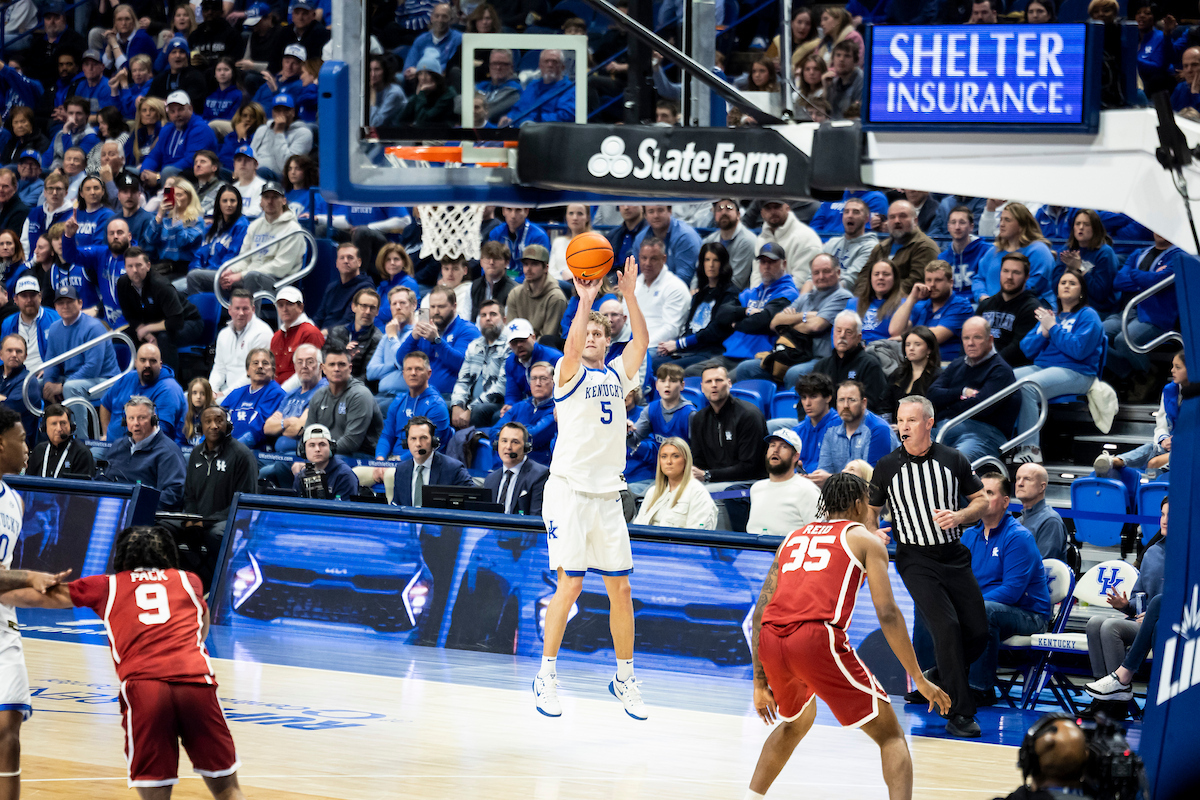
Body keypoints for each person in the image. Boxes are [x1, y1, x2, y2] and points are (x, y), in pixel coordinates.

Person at [0, 525, 246, 799]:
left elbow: (32, 598)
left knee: (156, 793)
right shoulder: (190, 580)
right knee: (228, 789)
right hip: (196, 682)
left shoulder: (107, 585)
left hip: (146, 689)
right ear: (168, 554)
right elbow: (201, 627)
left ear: (122, 555)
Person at [746, 473, 951, 800]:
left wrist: (759, 684)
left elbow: (760, 612)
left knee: (795, 723)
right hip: (814, 638)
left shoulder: (793, 538)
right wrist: (918, 678)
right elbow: (887, 613)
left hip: (772, 638)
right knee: (891, 736)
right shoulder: (866, 541)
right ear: (858, 504)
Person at [534, 255, 649, 720]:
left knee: (621, 589)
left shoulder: (618, 374)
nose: (591, 339)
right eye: (587, 334)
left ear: (607, 341)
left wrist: (630, 296)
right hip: (569, 491)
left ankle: (624, 677)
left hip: (607, 494)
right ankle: (546, 675)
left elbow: (641, 341)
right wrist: (584, 301)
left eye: (600, 334)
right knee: (572, 583)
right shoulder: (568, 373)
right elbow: (571, 342)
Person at [869, 395, 989, 738]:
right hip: (915, 558)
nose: (903, 427)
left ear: (928, 423)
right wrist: (872, 530)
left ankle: (939, 674)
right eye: (899, 420)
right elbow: (869, 511)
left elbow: (981, 500)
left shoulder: (953, 459)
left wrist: (960, 516)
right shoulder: (887, 466)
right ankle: (960, 714)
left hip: (954, 555)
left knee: (978, 633)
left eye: (910, 420)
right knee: (946, 627)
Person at [962, 473, 1052, 705]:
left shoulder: (1018, 537)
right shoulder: (968, 536)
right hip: (986, 608)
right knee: (932, 607)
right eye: (979, 494)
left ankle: (980, 688)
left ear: (1005, 502)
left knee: (984, 611)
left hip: (1029, 614)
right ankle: (932, 682)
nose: (982, 499)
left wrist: (969, 607)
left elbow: (1011, 591)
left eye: (989, 493)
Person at [1012, 270, 1105, 464]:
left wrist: (1053, 328)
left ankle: (1030, 449)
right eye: (1063, 282)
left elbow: (1079, 350)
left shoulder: (1088, 315)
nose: (1066, 286)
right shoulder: (1052, 315)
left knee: (1028, 386)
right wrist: (1044, 333)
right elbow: (1026, 349)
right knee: (1004, 379)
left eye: (1072, 283)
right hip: (1044, 368)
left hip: (1078, 371)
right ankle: (1004, 441)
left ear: (1082, 291)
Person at [1083, 496, 1167, 707]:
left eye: (1171, 515)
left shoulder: (1189, 557)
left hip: (1165, 624)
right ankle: (1102, 699)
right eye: (1162, 514)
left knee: (1111, 627)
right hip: (1141, 623)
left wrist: (1154, 616)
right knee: (1094, 623)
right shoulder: (1152, 553)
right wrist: (1125, 606)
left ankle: (1118, 700)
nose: (1165, 520)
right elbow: (1139, 598)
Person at [178, 405, 258, 585]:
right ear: (201, 427)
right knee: (166, 528)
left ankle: (220, 584)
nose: (214, 426)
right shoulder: (195, 454)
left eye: (219, 421)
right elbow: (189, 495)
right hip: (200, 520)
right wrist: (191, 517)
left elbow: (244, 503)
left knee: (216, 534)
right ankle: (182, 585)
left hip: (231, 521)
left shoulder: (242, 455)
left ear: (228, 425)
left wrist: (205, 521)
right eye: (208, 421)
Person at [927, 317, 1020, 465]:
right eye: (966, 338)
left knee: (953, 464)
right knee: (907, 452)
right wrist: (961, 393)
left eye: (977, 337)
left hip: (982, 434)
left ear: (990, 340)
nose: (970, 343)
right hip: (943, 429)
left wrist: (947, 405)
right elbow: (932, 396)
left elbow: (981, 408)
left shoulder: (1000, 370)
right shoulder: (957, 364)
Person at [186, 182, 303, 298]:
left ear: (284, 201)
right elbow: (244, 259)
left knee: (252, 277)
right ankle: (198, 310)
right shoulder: (255, 226)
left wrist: (241, 275)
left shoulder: (292, 229)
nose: (270, 201)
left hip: (277, 281)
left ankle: (251, 311)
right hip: (247, 276)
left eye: (275, 197)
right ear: (261, 202)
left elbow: (281, 266)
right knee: (195, 277)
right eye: (266, 197)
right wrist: (229, 271)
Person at [1106, 233, 1187, 400]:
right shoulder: (1139, 253)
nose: (1160, 231)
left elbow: (1158, 280)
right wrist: (1145, 278)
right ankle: (1133, 374)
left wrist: (1134, 274)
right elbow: (1119, 281)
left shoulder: (1179, 256)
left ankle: (1145, 374)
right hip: (1129, 310)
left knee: (1123, 340)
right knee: (1096, 334)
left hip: (1157, 315)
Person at [650, 242, 741, 379]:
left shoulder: (731, 294)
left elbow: (715, 331)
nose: (711, 265)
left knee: (664, 368)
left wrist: (678, 344)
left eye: (716, 260)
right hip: (689, 350)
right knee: (650, 362)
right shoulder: (699, 295)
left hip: (710, 352)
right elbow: (689, 328)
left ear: (723, 263)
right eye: (707, 260)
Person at [40, 284, 118, 436]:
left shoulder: (94, 327)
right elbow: (51, 362)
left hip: (104, 380)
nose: (65, 306)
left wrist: (62, 386)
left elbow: (93, 367)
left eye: (70, 302)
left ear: (80, 303)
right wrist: (49, 382)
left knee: (71, 388)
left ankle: (79, 440)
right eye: (61, 303)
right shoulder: (54, 328)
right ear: (55, 306)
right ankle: (45, 437)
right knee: (37, 385)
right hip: (73, 378)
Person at [115, 246, 204, 370]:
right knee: (120, 338)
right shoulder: (122, 284)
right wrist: (146, 334)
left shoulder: (160, 285)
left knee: (164, 338)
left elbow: (176, 321)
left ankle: (168, 377)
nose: (134, 270)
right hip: (156, 323)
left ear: (148, 266)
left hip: (188, 322)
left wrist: (147, 329)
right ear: (125, 267)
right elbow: (130, 315)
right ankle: (126, 376)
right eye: (130, 266)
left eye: (139, 265)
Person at [98, 396, 188, 509]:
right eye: (131, 418)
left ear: (154, 419)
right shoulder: (118, 445)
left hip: (144, 513)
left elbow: (173, 495)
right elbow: (102, 480)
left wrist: (136, 506)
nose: (136, 423)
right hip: (111, 507)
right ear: (125, 422)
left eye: (141, 418)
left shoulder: (168, 452)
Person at [689, 364, 769, 488]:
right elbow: (698, 461)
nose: (714, 385)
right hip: (713, 481)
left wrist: (708, 475)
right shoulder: (699, 419)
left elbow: (749, 466)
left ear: (729, 383)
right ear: (702, 387)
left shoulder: (748, 415)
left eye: (719, 380)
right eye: (708, 381)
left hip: (749, 482)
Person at [398, 284, 480, 396]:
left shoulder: (467, 330)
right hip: (421, 395)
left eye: (441, 307)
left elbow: (463, 365)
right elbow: (401, 360)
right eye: (432, 307)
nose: (436, 311)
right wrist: (413, 337)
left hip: (451, 396)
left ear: (454, 306)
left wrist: (436, 341)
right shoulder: (425, 331)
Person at [812, 380, 898, 486]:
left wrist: (831, 479)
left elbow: (872, 480)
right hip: (840, 492)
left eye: (851, 400)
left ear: (863, 403)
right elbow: (824, 469)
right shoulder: (830, 428)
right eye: (841, 400)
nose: (845, 405)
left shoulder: (878, 429)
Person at [100, 344, 188, 447]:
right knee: (90, 453)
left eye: (152, 361)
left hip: (146, 450)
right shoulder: (127, 378)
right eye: (143, 360)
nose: (147, 365)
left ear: (160, 364)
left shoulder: (169, 389)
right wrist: (106, 434)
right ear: (136, 363)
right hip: (111, 446)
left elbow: (159, 433)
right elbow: (105, 404)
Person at [303, 347, 384, 459]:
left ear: (350, 368)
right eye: (332, 365)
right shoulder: (319, 395)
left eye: (341, 364)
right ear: (323, 368)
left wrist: (319, 453)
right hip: (326, 452)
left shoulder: (360, 394)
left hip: (360, 456)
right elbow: (308, 433)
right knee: (286, 461)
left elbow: (352, 442)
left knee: (331, 460)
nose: (336, 369)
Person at [889, 261, 975, 362]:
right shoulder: (921, 305)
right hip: (917, 363)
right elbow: (894, 331)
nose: (932, 285)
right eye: (928, 280)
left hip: (946, 364)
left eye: (938, 280)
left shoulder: (961, 306)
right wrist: (912, 298)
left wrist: (903, 338)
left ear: (951, 282)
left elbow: (934, 337)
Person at [974, 203, 1056, 307]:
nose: (1001, 224)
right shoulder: (993, 251)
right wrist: (982, 297)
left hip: (1029, 309)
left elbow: (1034, 285)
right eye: (1001, 219)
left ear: (1021, 225)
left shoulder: (1039, 251)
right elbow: (979, 278)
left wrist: (998, 302)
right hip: (992, 308)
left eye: (1007, 220)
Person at [626, 363, 696, 485]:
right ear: (657, 385)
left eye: (673, 381)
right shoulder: (651, 409)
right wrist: (628, 433)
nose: (667, 385)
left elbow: (698, 453)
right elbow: (634, 441)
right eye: (663, 381)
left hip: (685, 476)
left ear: (682, 385)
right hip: (662, 476)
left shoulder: (690, 414)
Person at [376, 350, 452, 462]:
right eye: (409, 369)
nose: (413, 373)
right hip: (393, 461)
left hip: (423, 463)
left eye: (418, 369)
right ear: (403, 374)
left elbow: (428, 447)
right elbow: (387, 436)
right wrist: (380, 459)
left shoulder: (436, 406)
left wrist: (398, 461)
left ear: (429, 373)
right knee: (358, 470)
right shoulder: (398, 401)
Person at [977, 253, 1048, 370]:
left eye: (1016, 272)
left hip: (1010, 369)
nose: (1009, 277)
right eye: (1005, 271)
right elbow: (970, 337)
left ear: (1026, 277)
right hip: (981, 363)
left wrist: (986, 365)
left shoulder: (1032, 308)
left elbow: (1017, 349)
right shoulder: (986, 305)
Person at [810, 310, 890, 412]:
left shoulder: (870, 365)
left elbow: (872, 404)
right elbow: (808, 398)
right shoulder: (821, 366)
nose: (842, 335)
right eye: (838, 331)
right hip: (823, 420)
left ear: (858, 337)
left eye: (848, 332)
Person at [745, 429, 821, 536]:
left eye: (783, 447)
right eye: (772, 445)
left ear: (795, 457)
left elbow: (819, 534)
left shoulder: (807, 490)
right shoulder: (757, 488)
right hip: (753, 545)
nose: (775, 450)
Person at [858, 200, 941, 297]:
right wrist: (862, 299)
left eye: (903, 216)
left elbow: (914, 284)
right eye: (892, 217)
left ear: (915, 221)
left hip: (906, 302)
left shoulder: (925, 247)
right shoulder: (880, 247)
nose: (897, 221)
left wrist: (881, 295)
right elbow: (863, 277)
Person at [632, 437, 718, 529]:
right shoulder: (652, 492)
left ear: (686, 460)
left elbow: (697, 534)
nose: (669, 462)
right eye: (664, 456)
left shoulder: (697, 493)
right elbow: (638, 528)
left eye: (675, 456)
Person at [139, 92, 218, 192]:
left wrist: (158, 176)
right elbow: (154, 156)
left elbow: (191, 161)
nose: (177, 114)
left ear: (190, 108)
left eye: (180, 110)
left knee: (168, 171)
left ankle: (167, 201)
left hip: (188, 174)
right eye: (172, 111)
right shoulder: (167, 129)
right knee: (132, 171)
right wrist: (145, 172)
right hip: (164, 172)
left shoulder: (200, 129)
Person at [390, 416, 473, 506]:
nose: (418, 444)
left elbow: (474, 500)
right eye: (413, 439)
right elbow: (397, 506)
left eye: (423, 438)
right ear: (406, 443)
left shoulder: (453, 469)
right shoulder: (401, 470)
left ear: (433, 441)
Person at [450, 299, 508, 429]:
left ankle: (474, 441)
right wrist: (457, 404)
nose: (488, 318)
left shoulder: (510, 345)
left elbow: (501, 386)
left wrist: (470, 408)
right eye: (483, 315)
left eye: (493, 314)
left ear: (504, 320)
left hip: (498, 402)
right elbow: (463, 380)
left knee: (479, 410)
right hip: (473, 401)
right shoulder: (474, 345)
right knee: (443, 406)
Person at [262, 344, 325, 460]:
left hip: (302, 457)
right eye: (300, 362)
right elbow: (267, 428)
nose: (304, 366)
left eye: (310, 362)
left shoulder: (323, 390)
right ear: (295, 367)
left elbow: (299, 429)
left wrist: (280, 425)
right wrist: (288, 422)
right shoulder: (291, 394)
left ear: (320, 366)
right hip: (278, 455)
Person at [1051, 209, 1119, 317]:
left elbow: (1100, 294)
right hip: (1068, 307)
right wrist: (1068, 268)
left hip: (1098, 311)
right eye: (1078, 224)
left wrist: (1080, 268)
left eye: (1086, 224)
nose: (1081, 227)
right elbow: (1056, 287)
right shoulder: (1067, 250)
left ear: (1095, 228)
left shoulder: (1105, 253)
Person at [210, 288, 273, 398]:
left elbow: (256, 374)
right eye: (237, 308)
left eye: (245, 309)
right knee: (189, 398)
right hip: (227, 391)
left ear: (253, 309)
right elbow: (219, 368)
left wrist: (224, 394)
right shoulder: (223, 334)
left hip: (253, 393)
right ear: (230, 310)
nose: (241, 313)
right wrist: (211, 390)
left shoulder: (262, 333)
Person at [219, 348, 286, 448]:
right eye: (255, 363)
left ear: (272, 370)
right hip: (227, 447)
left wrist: (231, 450)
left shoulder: (276, 393)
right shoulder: (236, 393)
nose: (260, 366)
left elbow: (257, 431)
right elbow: (215, 417)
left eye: (265, 363)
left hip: (254, 451)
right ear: (247, 370)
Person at [633, 236, 690, 350]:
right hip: (632, 345)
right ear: (639, 257)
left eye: (653, 259)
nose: (647, 263)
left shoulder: (675, 287)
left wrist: (641, 348)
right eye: (644, 258)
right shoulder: (635, 283)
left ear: (664, 259)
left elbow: (671, 329)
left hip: (656, 348)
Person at [484, 422, 551, 516]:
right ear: (496, 445)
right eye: (504, 441)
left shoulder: (539, 475)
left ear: (526, 447)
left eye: (515, 442)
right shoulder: (491, 479)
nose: (508, 447)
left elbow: (535, 518)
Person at [368, 286, 417, 412]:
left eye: (402, 303)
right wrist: (393, 366)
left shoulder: (417, 334)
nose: (398, 307)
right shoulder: (387, 336)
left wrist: (393, 337)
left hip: (405, 397)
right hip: (381, 395)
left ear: (414, 305)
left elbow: (402, 363)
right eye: (394, 304)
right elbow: (370, 372)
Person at [504, 244, 566, 341]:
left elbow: (548, 338)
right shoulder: (515, 294)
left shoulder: (556, 298)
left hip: (542, 348)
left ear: (546, 268)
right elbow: (511, 330)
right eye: (525, 264)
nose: (528, 269)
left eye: (534, 264)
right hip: (516, 345)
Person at [629, 206, 703, 287]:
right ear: (645, 215)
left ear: (670, 211)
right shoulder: (640, 238)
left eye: (660, 210)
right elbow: (636, 274)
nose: (656, 216)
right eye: (651, 212)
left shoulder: (686, 237)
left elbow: (683, 279)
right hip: (649, 289)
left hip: (679, 290)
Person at [500, 49, 574, 127]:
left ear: (562, 67)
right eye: (546, 61)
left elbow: (565, 117)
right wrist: (509, 117)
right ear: (540, 66)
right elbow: (518, 108)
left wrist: (532, 119)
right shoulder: (532, 86)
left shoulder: (569, 89)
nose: (550, 65)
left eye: (554, 62)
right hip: (523, 129)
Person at [312, 243, 375, 334]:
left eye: (350, 258)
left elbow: (349, 322)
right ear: (336, 263)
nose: (345, 261)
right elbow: (319, 317)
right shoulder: (332, 287)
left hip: (344, 337)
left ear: (359, 262)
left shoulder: (365, 288)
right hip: (322, 335)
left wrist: (322, 334)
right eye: (342, 258)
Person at [1, 275, 59, 374]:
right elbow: (3, 353)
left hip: (46, 374)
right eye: (24, 296)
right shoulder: (8, 322)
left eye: (33, 295)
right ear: (16, 299)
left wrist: (50, 369)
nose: (29, 300)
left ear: (40, 297)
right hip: (16, 375)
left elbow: (63, 351)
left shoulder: (55, 318)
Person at [269, 286, 325, 386]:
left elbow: (310, 372)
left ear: (300, 307)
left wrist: (281, 391)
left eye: (289, 304)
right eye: (280, 305)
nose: (284, 309)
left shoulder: (310, 333)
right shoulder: (276, 336)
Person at [248, 94, 313, 180]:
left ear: (293, 112)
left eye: (286, 110)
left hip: (281, 179)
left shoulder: (303, 133)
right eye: (278, 110)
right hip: (255, 174)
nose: (282, 114)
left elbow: (287, 167)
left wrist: (279, 133)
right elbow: (250, 154)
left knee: (262, 172)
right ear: (273, 113)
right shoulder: (262, 129)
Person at [326, 288, 384, 381]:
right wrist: (343, 355)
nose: (367, 311)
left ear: (377, 312)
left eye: (372, 308)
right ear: (354, 307)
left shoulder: (378, 339)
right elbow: (324, 362)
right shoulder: (336, 332)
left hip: (356, 386)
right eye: (364, 306)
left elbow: (367, 376)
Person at [1014, 463, 1068, 562]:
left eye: (1027, 479)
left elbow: (1043, 565)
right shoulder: (1017, 522)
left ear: (1042, 487)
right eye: (1018, 479)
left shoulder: (1050, 521)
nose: (1020, 483)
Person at [823, 198, 879, 292]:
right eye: (846, 212)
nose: (850, 215)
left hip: (848, 297)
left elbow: (850, 281)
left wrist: (821, 295)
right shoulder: (832, 243)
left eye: (856, 212)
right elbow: (811, 277)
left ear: (866, 218)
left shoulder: (871, 247)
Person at [701, 199, 757, 290]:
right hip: (711, 291)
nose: (723, 212)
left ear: (738, 214)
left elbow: (736, 282)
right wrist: (695, 288)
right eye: (719, 209)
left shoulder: (747, 241)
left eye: (729, 208)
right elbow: (699, 271)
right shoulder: (709, 240)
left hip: (734, 295)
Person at [292, 423, 360, 499]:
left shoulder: (344, 475)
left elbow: (345, 505)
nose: (317, 449)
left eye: (322, 444)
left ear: (331, 448)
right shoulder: (300, 477)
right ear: (303, 450)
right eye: (312, 445)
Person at [486, 208, 551, 280]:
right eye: (509, 209)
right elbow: (487, 263)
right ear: (503, 211)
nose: (513, 216)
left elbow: (538, 271)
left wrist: (511, 284)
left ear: (526, 212)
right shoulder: (496, 233)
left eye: (518, 210)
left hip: (528, 283)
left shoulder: (539, 236)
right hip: (501, 281)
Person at [471, 241, 517, 324]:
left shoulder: (514, 290)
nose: (491, 262)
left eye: (496, 258)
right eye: (487, 258)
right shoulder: (473, 286)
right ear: (481, 262)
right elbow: (466, 318)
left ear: (506, 262)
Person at [475, 47, 520, 124]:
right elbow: (458, 105)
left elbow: (490, 112)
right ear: (489, 66)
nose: (498, 67)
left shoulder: (515, 90)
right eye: (494, 63)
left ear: (511, 68)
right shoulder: (482, 85)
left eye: (503, 64)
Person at [605, 205, 648, 270]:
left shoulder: (650, 233)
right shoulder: (612, 235)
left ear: (642, 206)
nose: (626, 207)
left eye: (630, 202)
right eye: (622, 204)